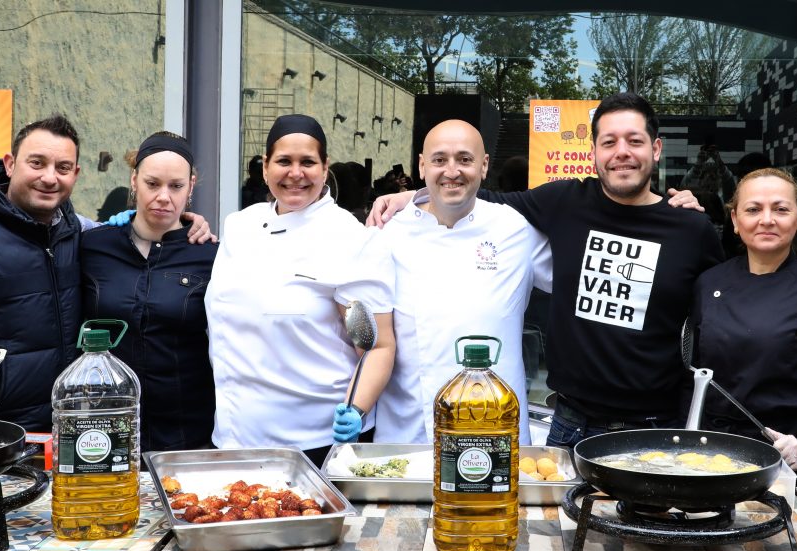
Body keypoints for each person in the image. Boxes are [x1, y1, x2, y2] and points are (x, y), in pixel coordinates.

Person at [370, 93, 720, 448]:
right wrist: (413, 196)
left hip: (652, 426)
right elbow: (478, 196)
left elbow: (720, 326)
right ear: (594, 151)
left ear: (656, 149)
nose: (622, 152)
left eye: (635, 141)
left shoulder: (691, 230)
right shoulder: (566, 201)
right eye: (609, 142)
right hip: (570, 424)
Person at [0, 114, 213, 433]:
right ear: (10, 164)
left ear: (75, 174)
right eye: (37, 163)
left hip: (64, 429)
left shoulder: (75, 232)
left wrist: (176, 224)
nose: (49, 178)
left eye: (62, 168)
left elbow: (141, 233)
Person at [206, 114, 395, 466]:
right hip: (234, 435)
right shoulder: (239, 226)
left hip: (315, 441)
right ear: (265, 167)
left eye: (307, 162)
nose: (296, 173)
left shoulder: (349, 238)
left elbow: (373, 345)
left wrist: (357, 408)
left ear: (325, 168)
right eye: (283, 162)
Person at [371, 120, 551, 445]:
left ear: (483, 167)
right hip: (410, 433)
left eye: (464, 160)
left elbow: (575, 281)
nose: (451, 171)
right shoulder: (387, 233)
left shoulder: (516, 229)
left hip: (497, 428)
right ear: (422, 166)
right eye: (439, 160)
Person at [687, 168, 797, 483]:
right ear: (735, 221)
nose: (767, 219)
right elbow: (690, 375)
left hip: (785, 462)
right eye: (753, 210)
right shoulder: (707, 284)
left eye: (780, 209)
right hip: (708, 458)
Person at [80, 131, 216, 452]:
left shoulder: (210, 256)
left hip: (187, 431)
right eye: (152, 184)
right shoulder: (93, 247)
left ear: (191, 186)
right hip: (104, 426)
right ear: (134, 181)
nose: (163, 196)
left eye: (176, 186)